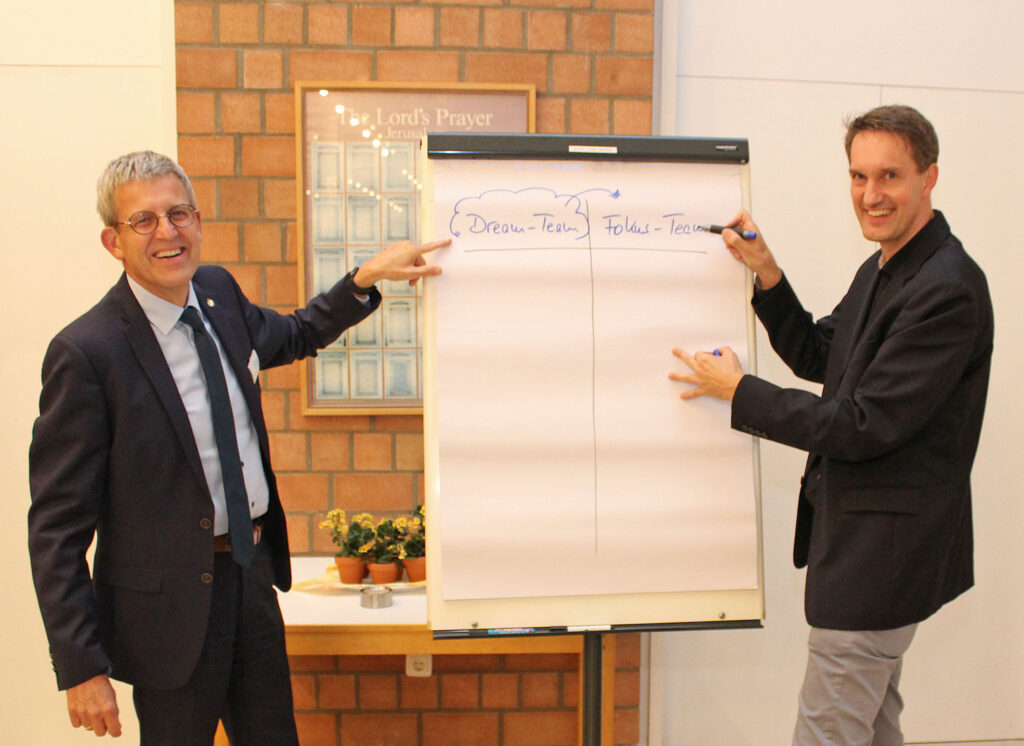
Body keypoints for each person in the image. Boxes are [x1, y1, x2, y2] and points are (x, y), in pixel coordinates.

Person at [27, 150, 449, 743]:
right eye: (143, 220)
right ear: (112, 241)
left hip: (250, 585)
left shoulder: (219, 294)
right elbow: (56, 530)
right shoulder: (87, 352)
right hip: (166, 617)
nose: (167, 232)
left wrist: (365, 279)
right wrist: (81, 666)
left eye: (179, 213)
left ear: (197, 220)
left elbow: (296, 333)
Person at [669, 105, 993, 744]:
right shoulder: (890, 265)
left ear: (929, 178)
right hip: (870, 553)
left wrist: (740, 393)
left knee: (829, 732)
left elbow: (864, 424)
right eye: (857, 176)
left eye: (890, 176)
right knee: (870, 727)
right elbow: (825, 356)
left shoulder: (946, 288)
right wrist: (766, 271)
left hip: (882, 562)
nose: (870, 196)